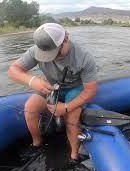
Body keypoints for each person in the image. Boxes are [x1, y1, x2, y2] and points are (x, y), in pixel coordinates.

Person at [8, 23, 98, 163]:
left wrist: (66, 107)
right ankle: (37, 143)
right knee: (30, 107)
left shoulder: (84, 58)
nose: (51, 57)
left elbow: (91, 90)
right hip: (51, 87)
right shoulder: (35, 51)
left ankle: (74, 155)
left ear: (66, 38)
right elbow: (13, 70)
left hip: (74, 88)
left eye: (55, 52)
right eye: (46, 54)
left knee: (72, 117)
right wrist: (33, 81)